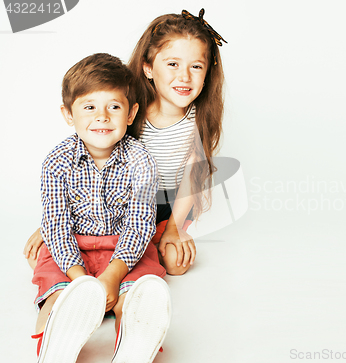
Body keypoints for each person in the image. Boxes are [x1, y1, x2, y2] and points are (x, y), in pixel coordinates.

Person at [24, 8, 227, 276]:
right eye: (173, 64)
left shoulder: (199, 119)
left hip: (168, 208)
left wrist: (174, 228)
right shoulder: (130, 112)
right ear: (148, 68)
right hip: (117, 201)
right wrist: (52, 223)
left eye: (196, 66)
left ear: (207, 73)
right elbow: (96, 165)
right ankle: (96, 249)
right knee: (38, 254)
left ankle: (139, 252)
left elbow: (192, 177)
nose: (184, 76)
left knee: (176, 264)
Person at [31, 53, 171, 363]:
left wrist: (113, 275)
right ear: (69, 114)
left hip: (124, 248)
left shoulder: (141, 160)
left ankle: (135, 338)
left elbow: (139, 224)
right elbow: (55, 225)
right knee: (58, 294)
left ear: (131, 113)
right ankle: (56, 343)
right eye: (90, 107)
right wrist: (80, 280)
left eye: (114, 107)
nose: (103, 117)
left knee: (135, 292)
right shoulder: (57, 162)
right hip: (71, 249)